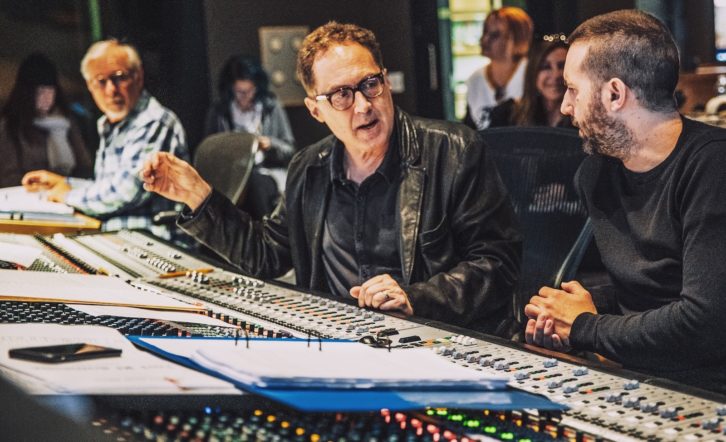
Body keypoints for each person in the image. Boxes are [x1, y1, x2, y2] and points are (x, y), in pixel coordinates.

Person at [141, 22, 522, 335]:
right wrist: (197, 196)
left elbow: (497, 264)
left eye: (370, 84)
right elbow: (266, 254)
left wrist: (416, 297)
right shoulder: (309, 168)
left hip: (432, 339)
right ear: (316, 110)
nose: (363, 105)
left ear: (385, 81)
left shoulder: (454, 151)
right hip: (339, 343)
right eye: (341, 95)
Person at [524, 10, 726, 393]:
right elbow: (643, 291)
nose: (565, 107)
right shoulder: (596, 174)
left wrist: (584, 326)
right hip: (636, 378)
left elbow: (706, 322)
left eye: (573, 89)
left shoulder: (713, 167)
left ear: (615, 94)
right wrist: (560, 313)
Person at [21, 40, 189, 239]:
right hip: (119, 237)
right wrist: (63, 182)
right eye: (101, 81)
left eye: (119, 78)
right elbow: (107, 185)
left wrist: (67, 195)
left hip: (155, 244)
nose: (111, 90)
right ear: (90, 87)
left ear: (139, 76)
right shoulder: (112, 125)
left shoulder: (154, 121)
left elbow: (125, 192)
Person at [205, 55, 296, 218]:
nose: (245, 97)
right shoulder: (220, 111)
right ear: (231, 89)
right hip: (232, 175)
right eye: (240, 93)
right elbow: (209, 153)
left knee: (255, 183)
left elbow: (290, 150)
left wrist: (270, 144)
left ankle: (267, 232)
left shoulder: (270, 106)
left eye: (250, 91)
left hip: (267, 172)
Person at [0, 53, 92, 188]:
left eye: (50, 90)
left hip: (68, 193)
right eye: (39, 92)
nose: (46, 97)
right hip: (28, 198)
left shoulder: (65, 121)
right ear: (26, 93)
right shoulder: (11, 126)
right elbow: (8, 177)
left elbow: (85, 165)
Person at [464, 7, 533, 130]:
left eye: (494, 35)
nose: (484, 40)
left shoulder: (532, 72)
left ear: (516, 38)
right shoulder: (475, 79)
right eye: (485, 32)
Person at [489, 38, 573, 128]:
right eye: (546, 67)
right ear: (533, 73)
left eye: (562, 66)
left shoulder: (582, 119)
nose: (556, 75)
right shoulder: (506, 115)